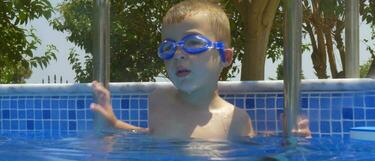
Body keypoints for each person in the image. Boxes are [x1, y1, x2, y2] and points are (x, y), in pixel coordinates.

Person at [91, 0, 311, 140]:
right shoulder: (159, 101)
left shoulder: (235, 120)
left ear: (226, 57)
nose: (178, 54)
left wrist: (286, 139)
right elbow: (148, 137)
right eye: (169, 47)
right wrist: (113, 124)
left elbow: (255, 158)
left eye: (193, 43)